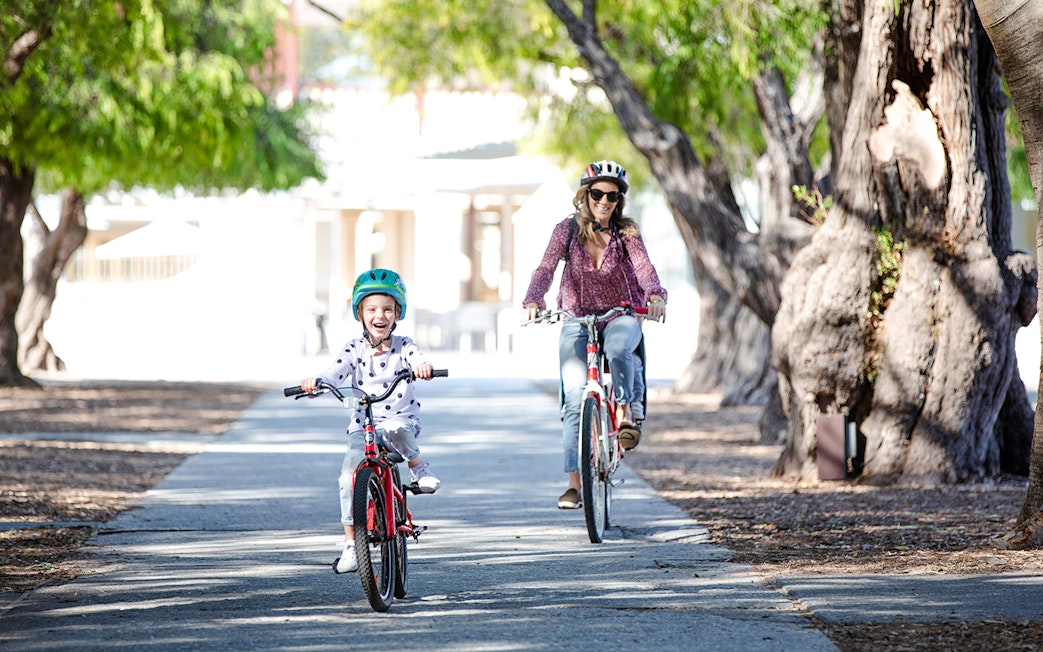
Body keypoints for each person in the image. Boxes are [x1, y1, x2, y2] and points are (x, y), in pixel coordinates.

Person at [521, 159, 668, 510]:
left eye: (613, 196)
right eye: (598, 193)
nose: (605, 201)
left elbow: (644, 268)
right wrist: (532, 298)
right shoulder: (566, 231)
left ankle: (629, 414)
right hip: (576, 317)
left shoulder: (626, 233)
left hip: (622, 312)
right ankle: (574, 483)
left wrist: (656, 295)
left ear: (620, 201)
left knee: (619, 349)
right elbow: (545, 267)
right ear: (584, 196)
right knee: (574, 399)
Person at [300, 268, 441, 573]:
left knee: (395, 427)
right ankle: (351, 544)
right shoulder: (354, 349)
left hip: (400, 420)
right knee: (347, 478)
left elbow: (417, 358)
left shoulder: (404, 345)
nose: (381, 315)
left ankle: (419, 469)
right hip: (363, 426)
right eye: (372, 309)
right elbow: (333, 373)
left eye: (388, 309)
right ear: (360, 314)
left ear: (397, 313)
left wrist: (422, 366)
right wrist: (317, 382)